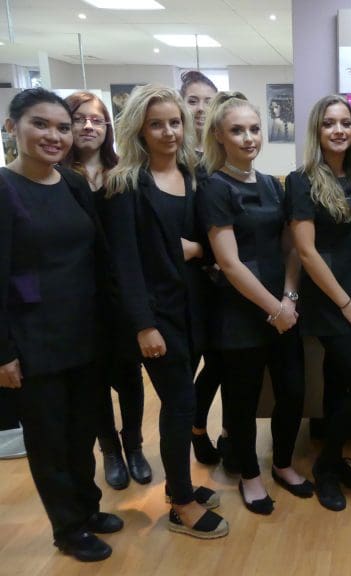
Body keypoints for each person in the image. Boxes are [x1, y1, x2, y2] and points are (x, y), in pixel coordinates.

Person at [0, 88, 122, 561]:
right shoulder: (5, 190)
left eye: (62, 127)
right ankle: (67, 528)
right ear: (13, 126)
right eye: (40, 124)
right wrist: (3, 351)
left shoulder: (71, 184)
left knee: (82, 431)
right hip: (33, 341)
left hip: (84, 332)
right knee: (49, 440)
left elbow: (97, 256)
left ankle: (88, 509)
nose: (54, 136)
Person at [103, 84, 228, 539]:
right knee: (179, 405)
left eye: (174, 122)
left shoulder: (194, 176)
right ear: (140, 128)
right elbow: (124, 264)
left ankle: (185, 486)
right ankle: (179, 502)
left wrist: (196, 250)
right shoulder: (124, 186)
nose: (168, 131)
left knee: (185, 401)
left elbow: (209, 245)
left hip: (196, 309)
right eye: (157, 123)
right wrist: (144, 326)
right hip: (159, 318)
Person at [198, 91, 311, 513]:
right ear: (219, 136)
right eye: (237, 131)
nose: (248, 138)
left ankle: (282, 463)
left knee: (293, 392)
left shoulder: (270, 184)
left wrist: (290, 297)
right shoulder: (214, 187)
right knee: (242, 403)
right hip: (239, 316)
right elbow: (228, 263)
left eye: (254, 129)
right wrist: (275, 309)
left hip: (282, 309)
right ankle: (250, 474)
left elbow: (290, 248)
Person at [287, 94, 351, 512]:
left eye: (345, 123)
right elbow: (306, 252)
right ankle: (325, 467)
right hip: (328, 302)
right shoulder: (302, 180)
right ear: (317, 131)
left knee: (339, 381)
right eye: (329, 124)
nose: (338, 130)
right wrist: (344, 303)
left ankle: (335, 459)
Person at [63, 91, 152, 490]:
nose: (88, 126)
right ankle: (110, 451)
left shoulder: (124, 176)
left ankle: (134, 446)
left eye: (97, 120)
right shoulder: (58, 178)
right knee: (94, 381)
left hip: (121, 295)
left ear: (107, 128)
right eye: (79, 119)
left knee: (129, 377)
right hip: (78, 301)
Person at [179, 69, 226, 467]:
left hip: (223, 281)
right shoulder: (174, 161)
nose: (200, 109)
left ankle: (224, 430)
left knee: (223, 363)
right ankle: (194, 430)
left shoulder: (220, 158)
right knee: (190, 368)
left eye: (208, 102)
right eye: (192, 101)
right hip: (187, 285)